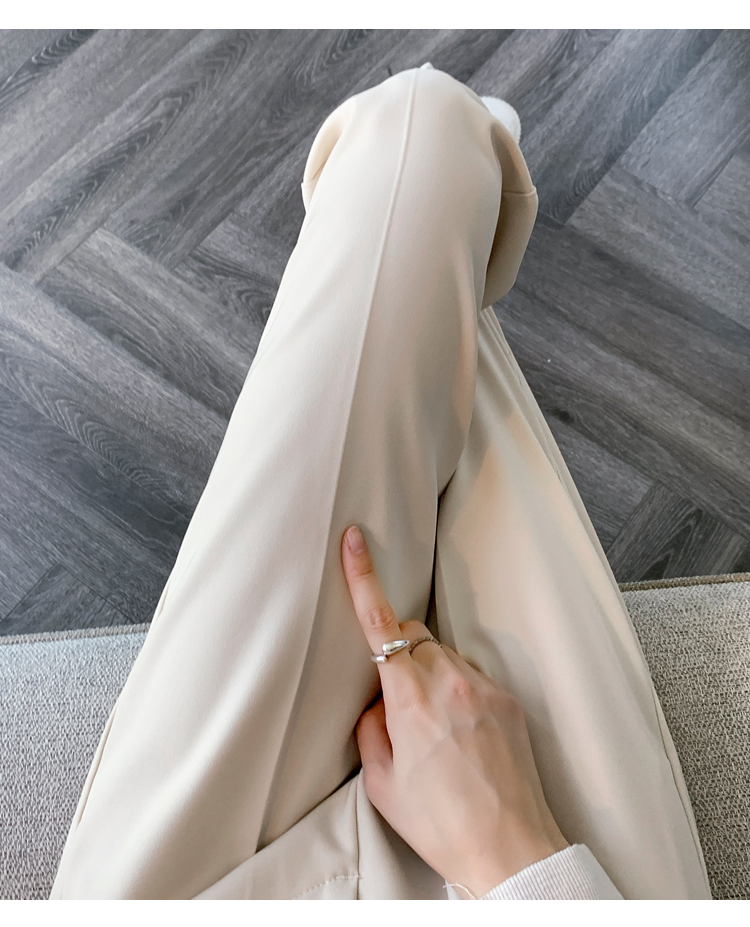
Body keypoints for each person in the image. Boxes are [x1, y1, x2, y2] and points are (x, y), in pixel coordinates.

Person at [49, 62, 711, 901]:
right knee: (419, 133)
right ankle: (458, 227)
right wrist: (515, 851)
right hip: (555, 876)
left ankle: (462, 220)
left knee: (420, 137)